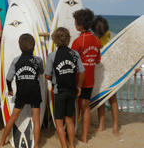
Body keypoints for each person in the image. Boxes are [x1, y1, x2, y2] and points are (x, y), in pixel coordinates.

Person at [0, 33, 44, 148]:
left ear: (19, 46)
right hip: (34, 91)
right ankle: (36, 145)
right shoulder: (38, 60)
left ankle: (2, 142)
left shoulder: (16, 61)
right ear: (33, 46)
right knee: (36, 120)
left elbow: (8, 78)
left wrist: (10, 90)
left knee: (13, 117)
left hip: (22, 92)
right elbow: (41, 72)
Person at [45, 27, 85, 148]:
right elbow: (82, 71)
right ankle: (72, 145)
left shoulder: (52, 56)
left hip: (59, 91)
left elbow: (47, 75)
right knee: (69, 120)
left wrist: (53, 80)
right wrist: (79, 86)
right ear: (68, 40)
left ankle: (64, 146)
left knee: (59, 121)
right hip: (72, 91)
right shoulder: (75, 54)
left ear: (55, 40)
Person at [71, 8, 101, 143]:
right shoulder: (96, 40)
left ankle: (72, 133)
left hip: (78, 80)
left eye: (75, 22)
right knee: (86, 107)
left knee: (74, 107)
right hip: (90, 80)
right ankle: (84, 137)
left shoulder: (78, 42)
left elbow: (71, 61)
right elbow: (97, 60)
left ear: (80, 25)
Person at [91, 15, 119, 136]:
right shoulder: (97, 38)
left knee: (112, 99)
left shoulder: (113, 37)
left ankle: (115, 126)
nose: (99, 35)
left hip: (111, 72)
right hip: (101, 72)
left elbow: (120, 53)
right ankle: (102, 125)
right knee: (101, 99)